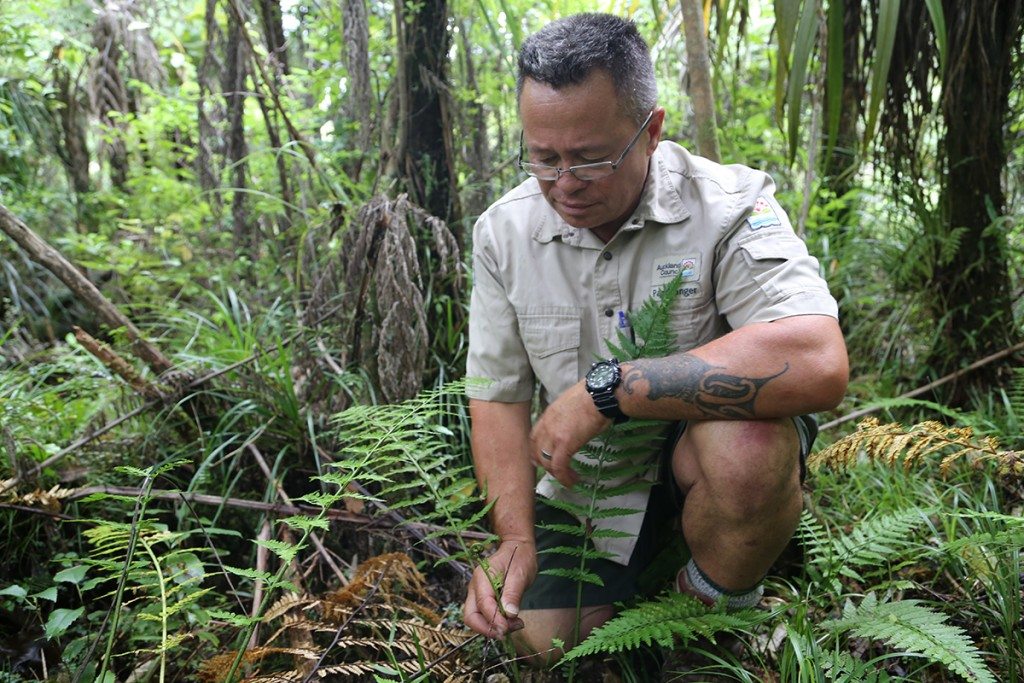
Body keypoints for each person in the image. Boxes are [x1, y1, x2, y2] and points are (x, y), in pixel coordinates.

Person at [461, 13, 848, 664]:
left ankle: (706, 614)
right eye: (542, 158)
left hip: (701, 458)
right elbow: (497, 398)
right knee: (537, 636)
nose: (563, 183)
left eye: (589, 157)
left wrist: (609, 391)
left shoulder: (730, 205)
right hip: (590, 486)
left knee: (748, 452)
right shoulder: (504, 234)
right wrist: (515, 539)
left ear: (653, 131)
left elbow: (817, 358)